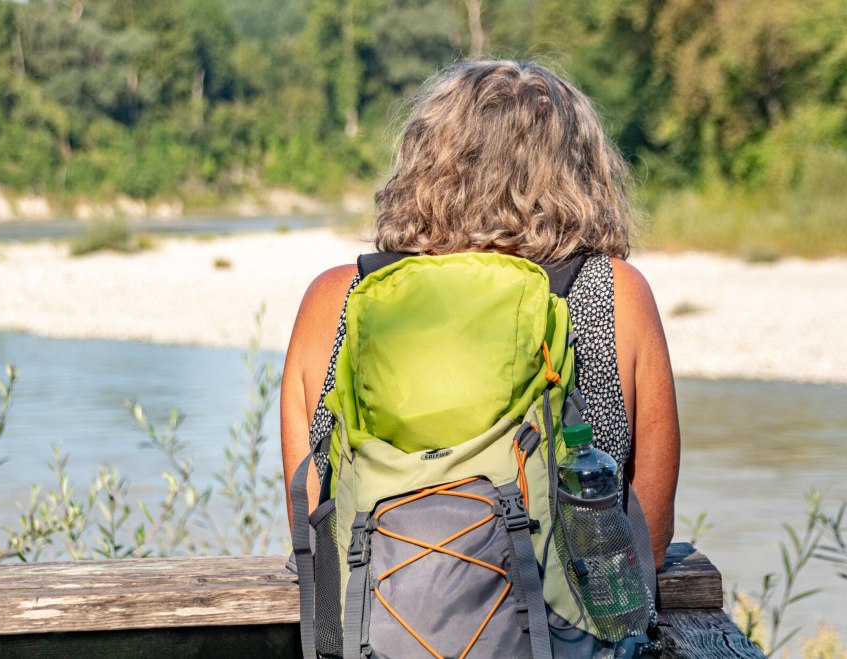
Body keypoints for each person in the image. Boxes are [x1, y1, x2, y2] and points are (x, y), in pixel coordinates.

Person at [280, 59, 680, 568]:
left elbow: (310, 532)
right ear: (583, 173)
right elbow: (653, 539)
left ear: (423, 163)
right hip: (560, 641)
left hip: (378, 637)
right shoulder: (614, 293)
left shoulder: (337, 298)